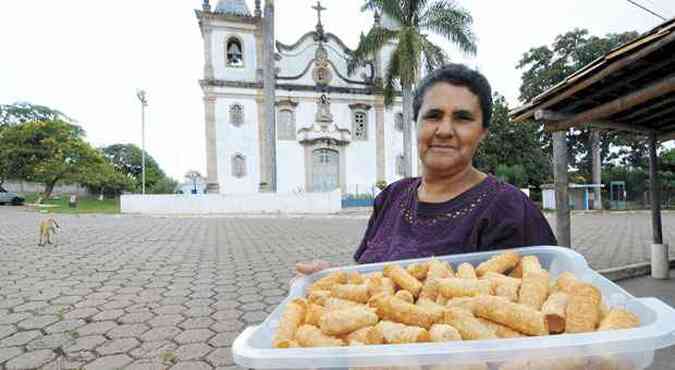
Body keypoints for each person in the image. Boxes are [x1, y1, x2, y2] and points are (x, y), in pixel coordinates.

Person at [296, 64, 556, 276]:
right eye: (433, 116)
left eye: (462, 118)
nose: (444, 130)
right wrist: (331, 279)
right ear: (416, 124)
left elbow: (540, 301)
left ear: (482, 133)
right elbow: (367, 281)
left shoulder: (509, 209)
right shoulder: (391, 197)